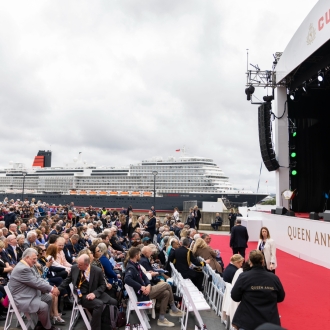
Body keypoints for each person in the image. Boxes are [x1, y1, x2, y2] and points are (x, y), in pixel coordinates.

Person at [124, 247, 184, 327]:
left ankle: (162, 319)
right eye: (139, 254)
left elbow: (144, 276)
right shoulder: (131, 267)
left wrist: (148, 285)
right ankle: (173, 309)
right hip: (143, 294)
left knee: (166, 293)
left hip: (147, 289)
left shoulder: (135, 265)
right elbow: (127, 279)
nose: (140, 256)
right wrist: (141, 287)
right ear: (136, 255)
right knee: (166, 285)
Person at [58, 254, 116, 330]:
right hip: (82, 295)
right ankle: (96, 328)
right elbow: (67, 280)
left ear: (87, 265)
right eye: (78, 264)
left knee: (114, 302)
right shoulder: (75, 268)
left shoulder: (97, 270)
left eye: (80, 265)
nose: (78, 266)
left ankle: (109, 324)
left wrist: (94, 294)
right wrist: (58, 289)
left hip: (94, 292)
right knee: (99, 304)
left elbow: (103, 285)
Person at [231, 250, 285, 330]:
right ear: (263, 261)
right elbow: (281, 297)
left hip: (247, 321)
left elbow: (235, 296)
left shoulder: (244, 276)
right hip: (269, 321)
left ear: (250, 261)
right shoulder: (273, 278)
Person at [8, 248, 61, 330]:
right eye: (34, 259)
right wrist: (51, 289)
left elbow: (38, 279)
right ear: (26, 258)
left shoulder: (27, 265)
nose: (36, 261)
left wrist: (50, 287)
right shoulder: (23, 268)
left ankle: (40, 325)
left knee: (48, 298)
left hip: (29, 294)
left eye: (36, 258)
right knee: (43, 306)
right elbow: (36, 282)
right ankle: (47, 327)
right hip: (23, 298)